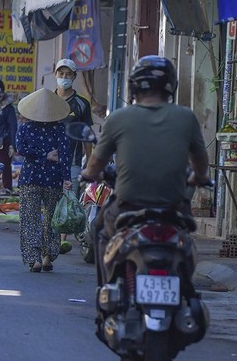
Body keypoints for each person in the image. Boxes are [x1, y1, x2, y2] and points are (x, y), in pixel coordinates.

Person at [81, 56, 209, 281]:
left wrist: (88, 174)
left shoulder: (118, 118)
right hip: (173, 205)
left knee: (101, 231)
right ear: (170, 87)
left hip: (128, 203)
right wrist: (198, 177)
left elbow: (96, 162)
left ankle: (105, 289)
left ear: (134, 87)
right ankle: (187, 288)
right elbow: (200, 159)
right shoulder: (186, 117)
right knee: (186, 236)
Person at [15, 88, 72, 272]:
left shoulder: (24, 128)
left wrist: (40, 155)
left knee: (29, 219)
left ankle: (35, 259)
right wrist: (67, 178)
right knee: (52, 219)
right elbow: (65, 155)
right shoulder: (60, 129)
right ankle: (48, 257)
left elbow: (20, 149)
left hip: (30, 178)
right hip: (54, 179)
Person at [54, 58, 93, 254]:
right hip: (48, 160)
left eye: (68, 74)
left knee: (68, 198)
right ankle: (51, 236)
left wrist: (90, 162)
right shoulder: (48, 99)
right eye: (61, 74)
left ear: (74, 77)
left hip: (73, 160)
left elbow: (86, 135)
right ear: (55, 75)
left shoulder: (82, 104)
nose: (64, 77)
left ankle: (61, 240)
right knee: (51, 198)